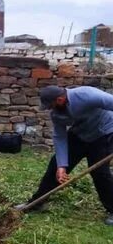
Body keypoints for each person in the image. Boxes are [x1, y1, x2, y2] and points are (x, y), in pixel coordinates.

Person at [15, 84, 113, 224]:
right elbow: (60, 137)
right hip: (80, 134)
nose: (49, 109)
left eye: (51, 105)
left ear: (60, 99)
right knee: (54, 167)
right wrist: (62, 166)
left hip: (104, 133)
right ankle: (37, 202)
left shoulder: (87, 95)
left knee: (100, 173)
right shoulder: (57, 113)